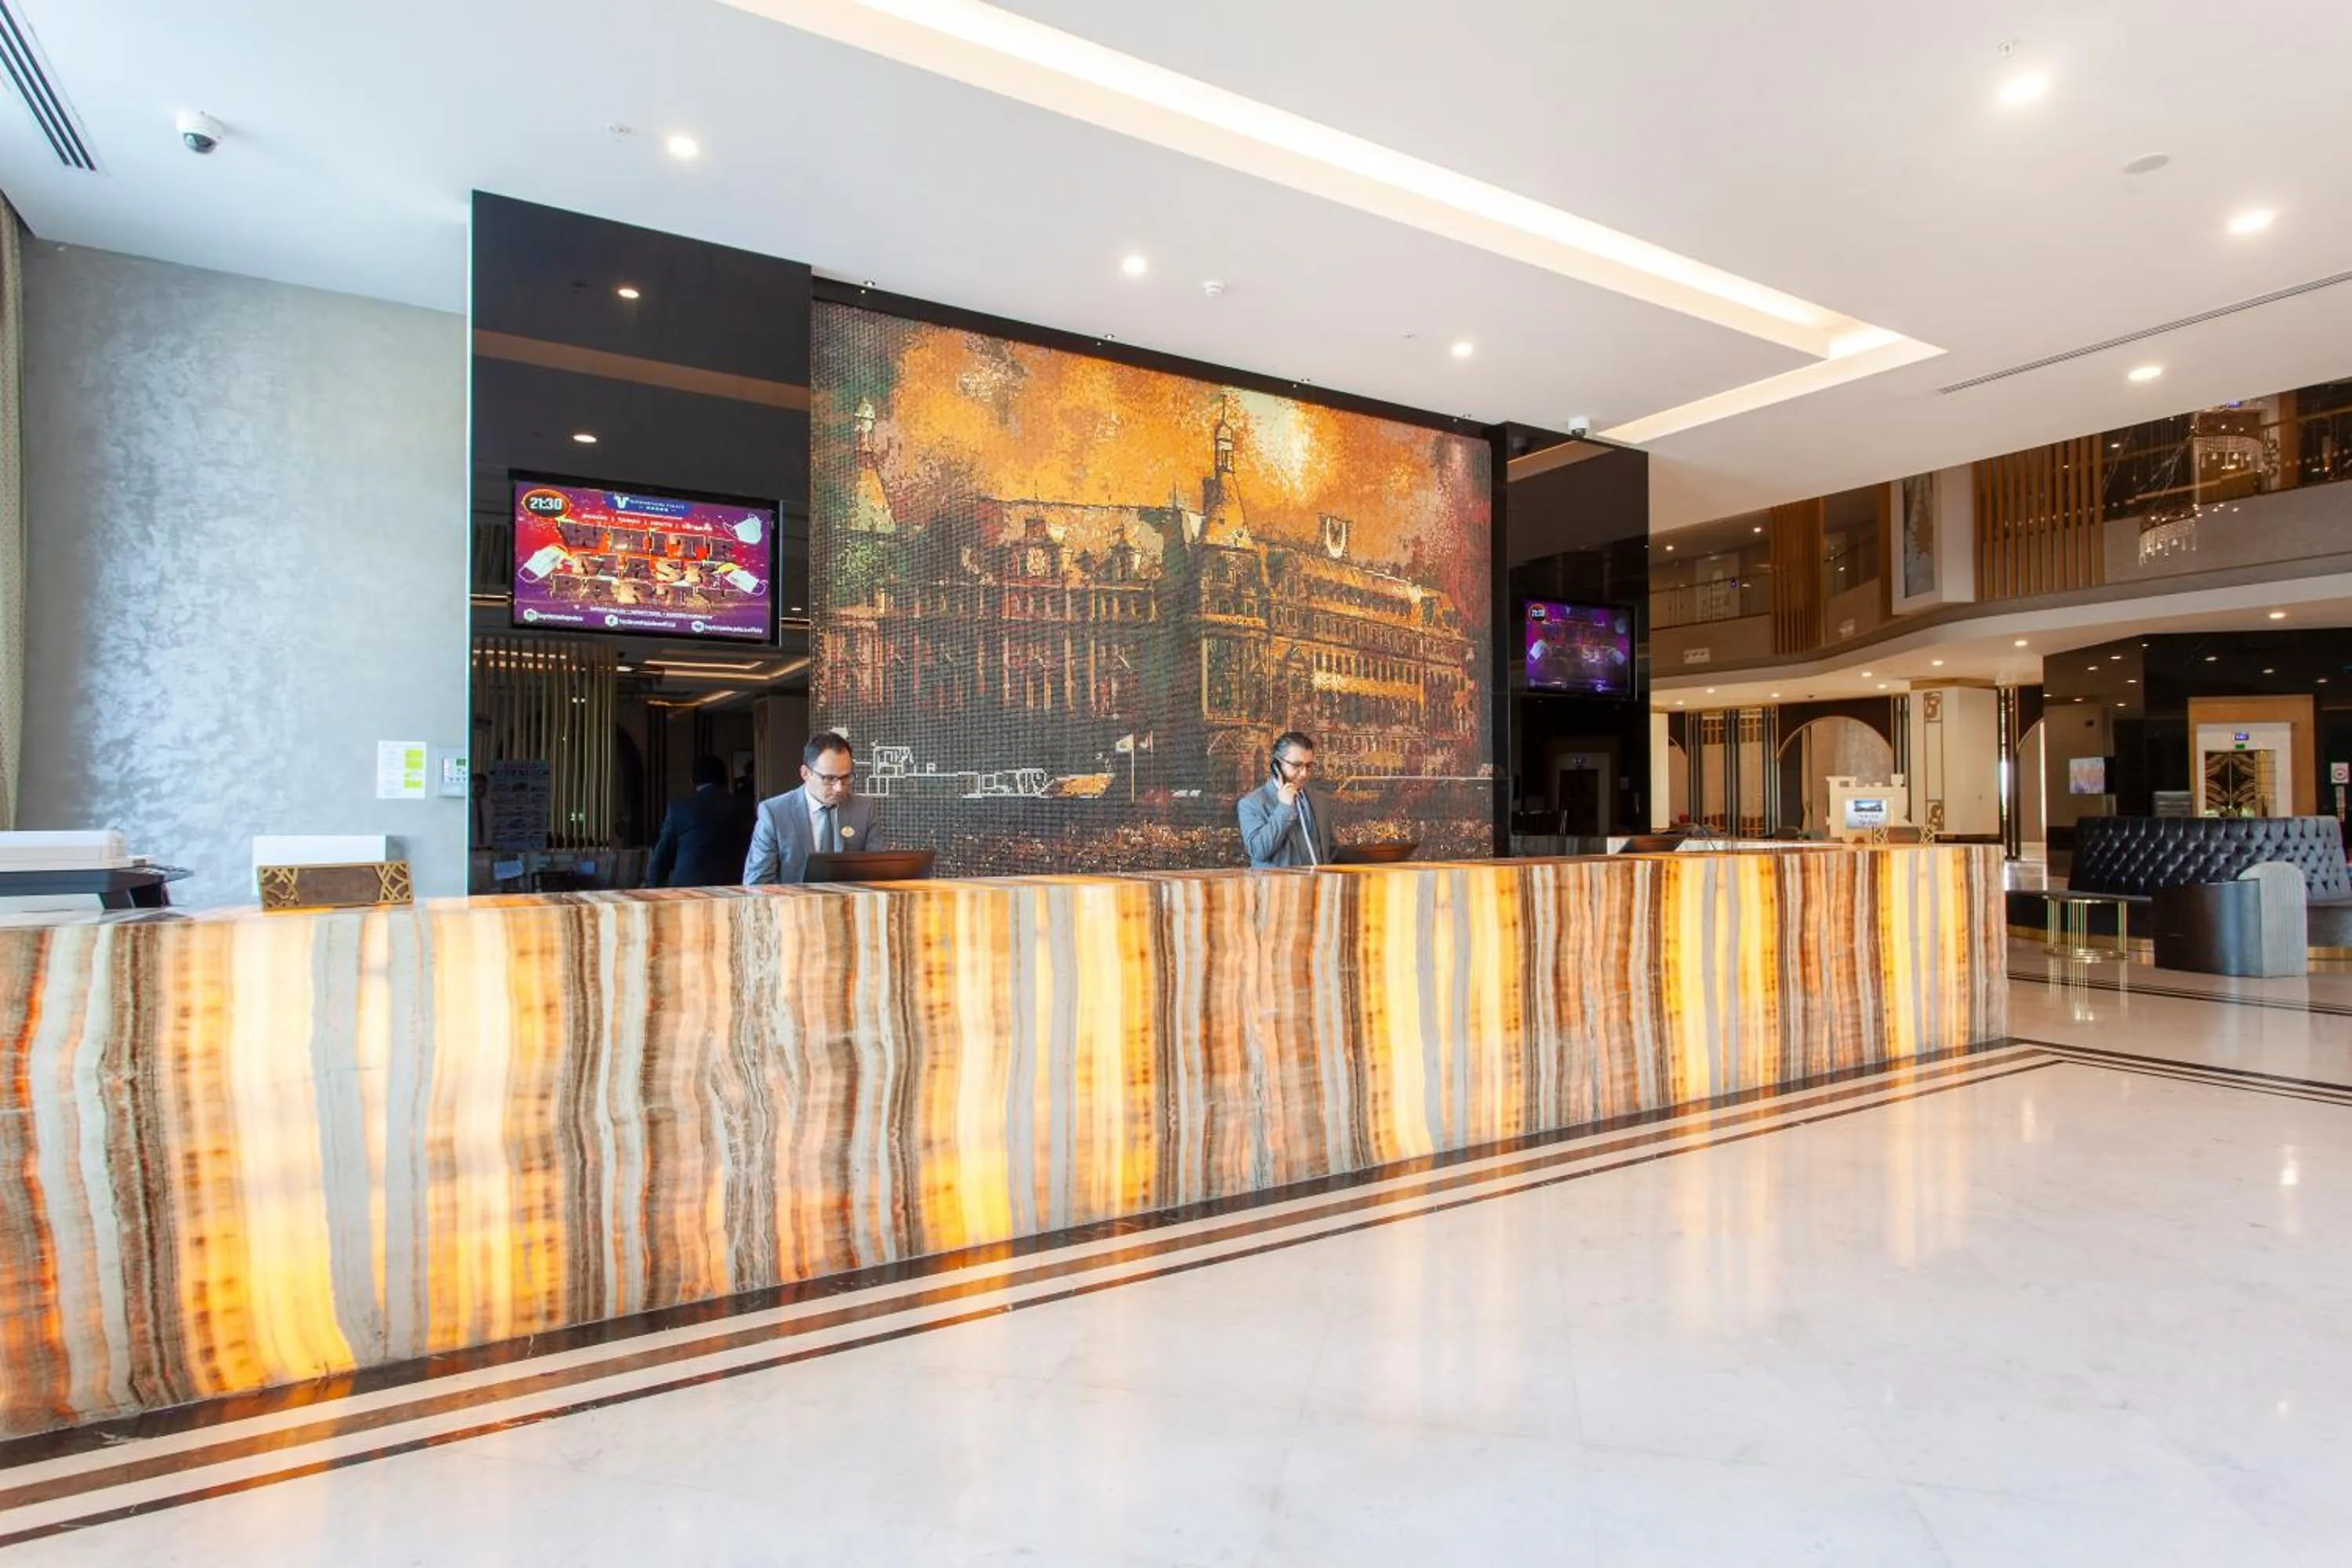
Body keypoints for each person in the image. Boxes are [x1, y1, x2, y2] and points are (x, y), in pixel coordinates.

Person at [744, 732, 884, 884]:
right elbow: (757, 883)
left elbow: (878, 874)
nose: (839, 788)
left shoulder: (864, 809)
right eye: (829, 779)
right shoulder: (775, 813)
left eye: (846, 778)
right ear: (805, 773)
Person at [647, 755, 758, 888]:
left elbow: (661, 857)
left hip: (689, 890)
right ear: (726, 779)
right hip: (734, 888)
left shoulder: (680, 809)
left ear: (692, 781)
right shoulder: (745, 807)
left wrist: (652, 890)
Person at [1237, 730, 1337, 868]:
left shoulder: (1320, 800)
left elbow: (1332, 852)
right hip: (1279, 882)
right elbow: (1258, 851)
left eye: (1308, 766)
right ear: (1276, 765)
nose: (1304, 774)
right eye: (1296, 766)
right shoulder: (1251, 804)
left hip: (1319, 881)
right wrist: (1284, 807)